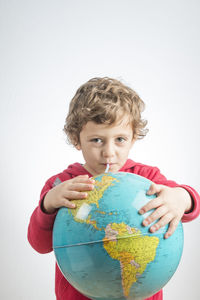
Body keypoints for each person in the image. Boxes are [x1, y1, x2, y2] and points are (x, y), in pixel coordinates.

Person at [28, 77, 200, 300]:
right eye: (97, 140)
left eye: (120, 139)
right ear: (76, 138)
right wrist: (47, 205)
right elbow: (39, 245)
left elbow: (188, 206)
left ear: (134, 137)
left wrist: (182, 197)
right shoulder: (62, 186)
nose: (109, 152)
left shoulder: (147, 179)